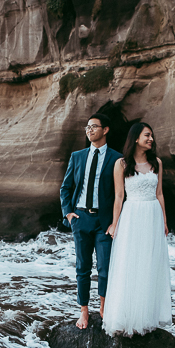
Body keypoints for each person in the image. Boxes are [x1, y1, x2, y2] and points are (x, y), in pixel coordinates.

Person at [102, 122, 172, 337]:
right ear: (135, 138)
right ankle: (125, 317)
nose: (151, 139)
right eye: (147, 135)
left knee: (149, 264)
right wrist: (115, 223)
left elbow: (159, 193)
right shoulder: (121, 164)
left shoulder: (157, 163)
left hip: (152, 215)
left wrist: (164, 220)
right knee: (129, 263)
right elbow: (119, 197)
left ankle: (146, 316)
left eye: (151, 136)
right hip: (132, 215)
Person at [60, 113, 123, 329]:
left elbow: (120, 194)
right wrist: (68, 213)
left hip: (104, 222)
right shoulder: (77, 156)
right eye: (87, 127)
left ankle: (103, 308)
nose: (89, 130)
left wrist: (116, 221)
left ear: (105, 130)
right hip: (81, 218)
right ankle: (84, 312)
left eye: (94, 127)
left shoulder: (117, 158)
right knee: (82, 267)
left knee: (105, 267)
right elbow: (65, 188)